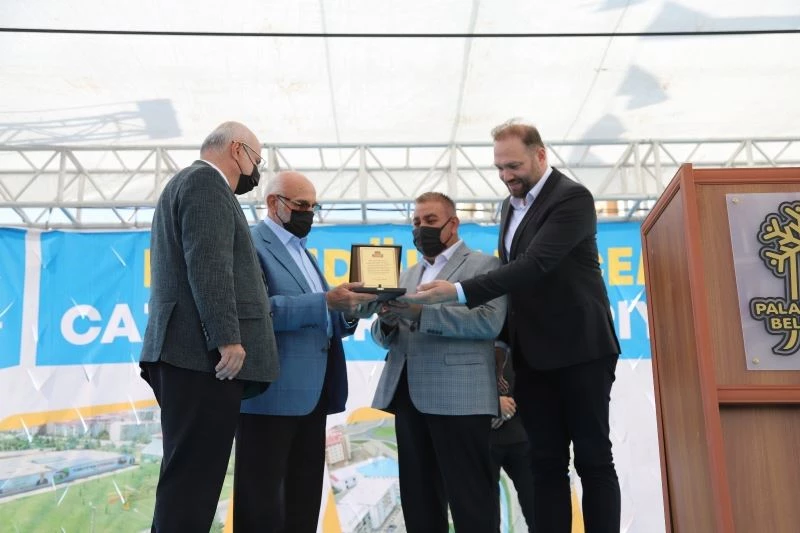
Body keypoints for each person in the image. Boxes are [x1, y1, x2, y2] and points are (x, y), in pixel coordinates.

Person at [402, 121, 622, 533]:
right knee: (545, 463)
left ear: (540, 155)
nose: (506, 176)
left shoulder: (572, 197)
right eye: (499, 167)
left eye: (514, 166)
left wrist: (459, 291)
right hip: (533, 356)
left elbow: (535, 264)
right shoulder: (508, 207)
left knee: (593, 460)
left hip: (581, 350)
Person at [139, 121, 280, 532]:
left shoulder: (189, 183)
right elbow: (209, 264)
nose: (256, 171)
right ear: (237, 150)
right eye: (256, 159)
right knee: (192, 484)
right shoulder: (206, 183)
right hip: (200, 358)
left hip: (188, 356)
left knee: (189, 479)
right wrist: (227, 338)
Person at [234, 171, 377, 533]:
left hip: (312, 396)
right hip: (270, 396)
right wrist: (326, 300)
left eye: (314, 206)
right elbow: (255, 312)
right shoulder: (250, 243)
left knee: (303, 501)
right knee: (261, 504)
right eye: (301, 205)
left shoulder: (301, 251)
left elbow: (323, 315)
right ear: (273, 203)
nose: (309, 213)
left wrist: (351, 310)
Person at [371, 192, 507, 533]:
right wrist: (386, 321)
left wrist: (422, 314)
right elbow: (383, 335)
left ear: (453, 224)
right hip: (407, 395)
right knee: (419, 501)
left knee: (471, 500)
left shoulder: (485, 267)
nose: (421, 229)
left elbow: (489, 322)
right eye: (416, 222)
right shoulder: (406, 274)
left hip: (461, 399)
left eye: (430, 221)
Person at [491, 345, 536, 532]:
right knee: (485, 516)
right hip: (481, 440)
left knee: (538, 509)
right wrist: (491, 403)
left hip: (521, 435)